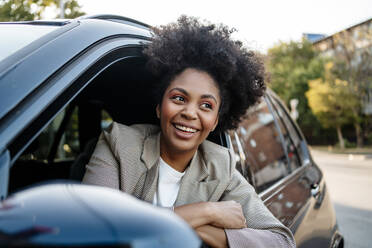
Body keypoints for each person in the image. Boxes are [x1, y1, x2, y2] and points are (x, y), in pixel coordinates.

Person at [83, 16, 296, 248]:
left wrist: (205, 232)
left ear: (215, 121)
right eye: (179, 98)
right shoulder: (119, 143)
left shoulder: (220, 168)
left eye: (206, 105)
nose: (190, 113)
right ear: (158, 107)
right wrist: (207, 212)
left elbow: (282, 242)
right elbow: (93, 228)